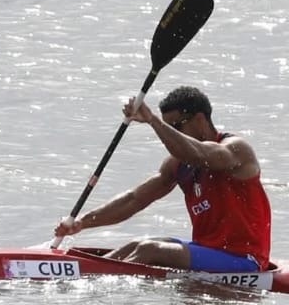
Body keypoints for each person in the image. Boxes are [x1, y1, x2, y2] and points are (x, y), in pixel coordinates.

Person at [53, 85, 271, 270]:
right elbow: (135, 199)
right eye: (167, 126)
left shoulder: (236, 150)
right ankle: (81, 271)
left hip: (245, 258)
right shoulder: (177, 164)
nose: (170, 133)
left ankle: (93, 282)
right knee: (136, 245)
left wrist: (152, 120)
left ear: (199, 120)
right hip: (207, 250)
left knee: (150, 250)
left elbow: (199, 154)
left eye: (174, 126)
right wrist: (82, 222)